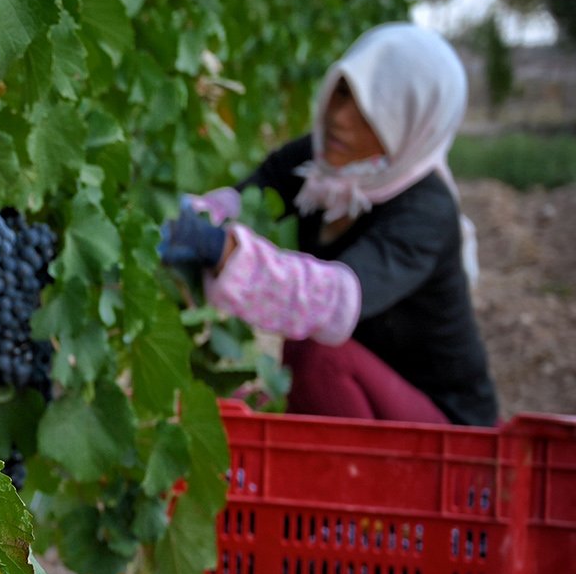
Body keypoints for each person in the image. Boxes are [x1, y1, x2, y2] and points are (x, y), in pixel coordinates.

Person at [159, 23, 497, 426]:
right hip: (362, 393)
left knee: (318, 354)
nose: (339, 118)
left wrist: (222, 250)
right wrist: (170, 217)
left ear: (412, 126)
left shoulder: (426, 211)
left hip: (446, 427)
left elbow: (335, 299)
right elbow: (242, 200)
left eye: (370, 114)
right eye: (341, 92)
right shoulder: (321, 161)